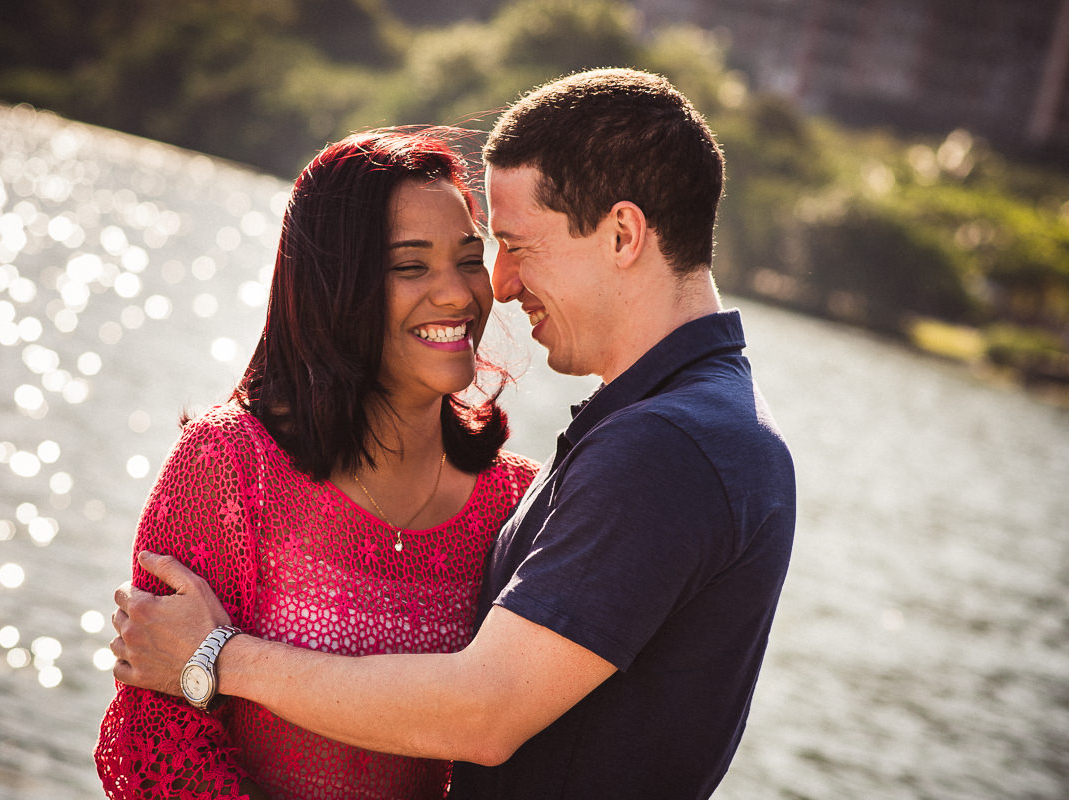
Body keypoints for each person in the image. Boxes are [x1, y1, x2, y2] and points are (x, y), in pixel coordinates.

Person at [111, 68, 796, 799]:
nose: (496, 285)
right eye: (416, 264)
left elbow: (484, 713)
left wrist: (219, 657)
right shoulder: (689, 425)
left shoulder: (666, 446)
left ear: (623, 234)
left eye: (512, 246)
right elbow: (156, 738)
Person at [94, 128, 541, 799]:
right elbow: (156, 738)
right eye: (411, 266)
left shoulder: (519, 503)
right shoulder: (229, 464)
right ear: (334, 284)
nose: (458, 295)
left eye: (469, 259)